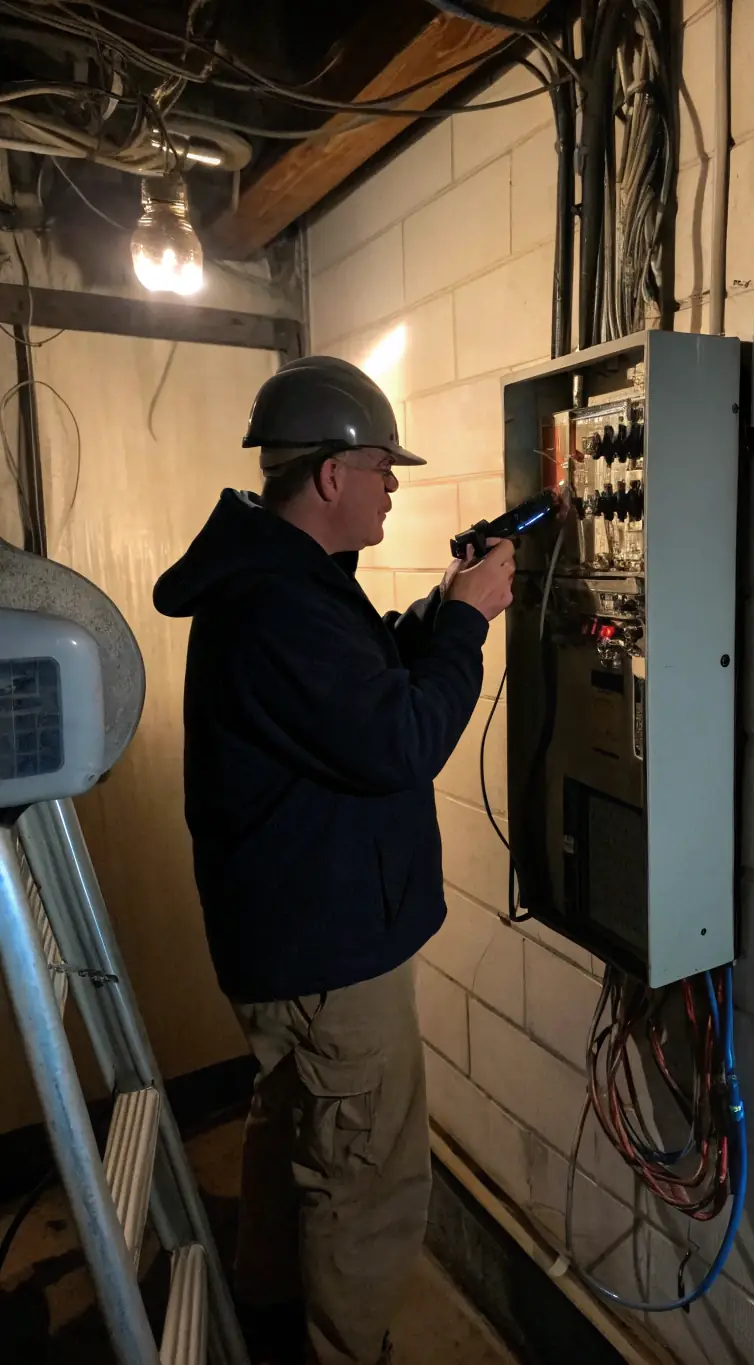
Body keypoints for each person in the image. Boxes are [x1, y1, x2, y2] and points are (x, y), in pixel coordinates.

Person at [153, 355, 515, 1365]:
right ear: (329, 475)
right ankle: (341, 1350)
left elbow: (345, 687)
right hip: (327, 955)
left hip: (292, 939)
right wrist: (467, 623)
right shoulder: (279, 602)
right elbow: (397, 739)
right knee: (368, 1180)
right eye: (382, 468)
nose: (393, 485)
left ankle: (269, 1320)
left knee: (291, 1134)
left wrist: (434, 612)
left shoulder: (283, 582)